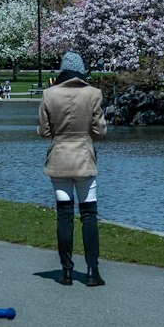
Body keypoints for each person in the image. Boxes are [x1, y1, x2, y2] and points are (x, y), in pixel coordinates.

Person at [38, 50, 107, 287]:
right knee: (89, 215)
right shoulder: (93, 94)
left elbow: (44, 131)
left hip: (59, 159)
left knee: (64, 215)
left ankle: (66, 270)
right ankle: (92, 271)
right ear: (81, 69)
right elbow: (100, 131)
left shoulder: (49, 95)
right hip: (84, 160)